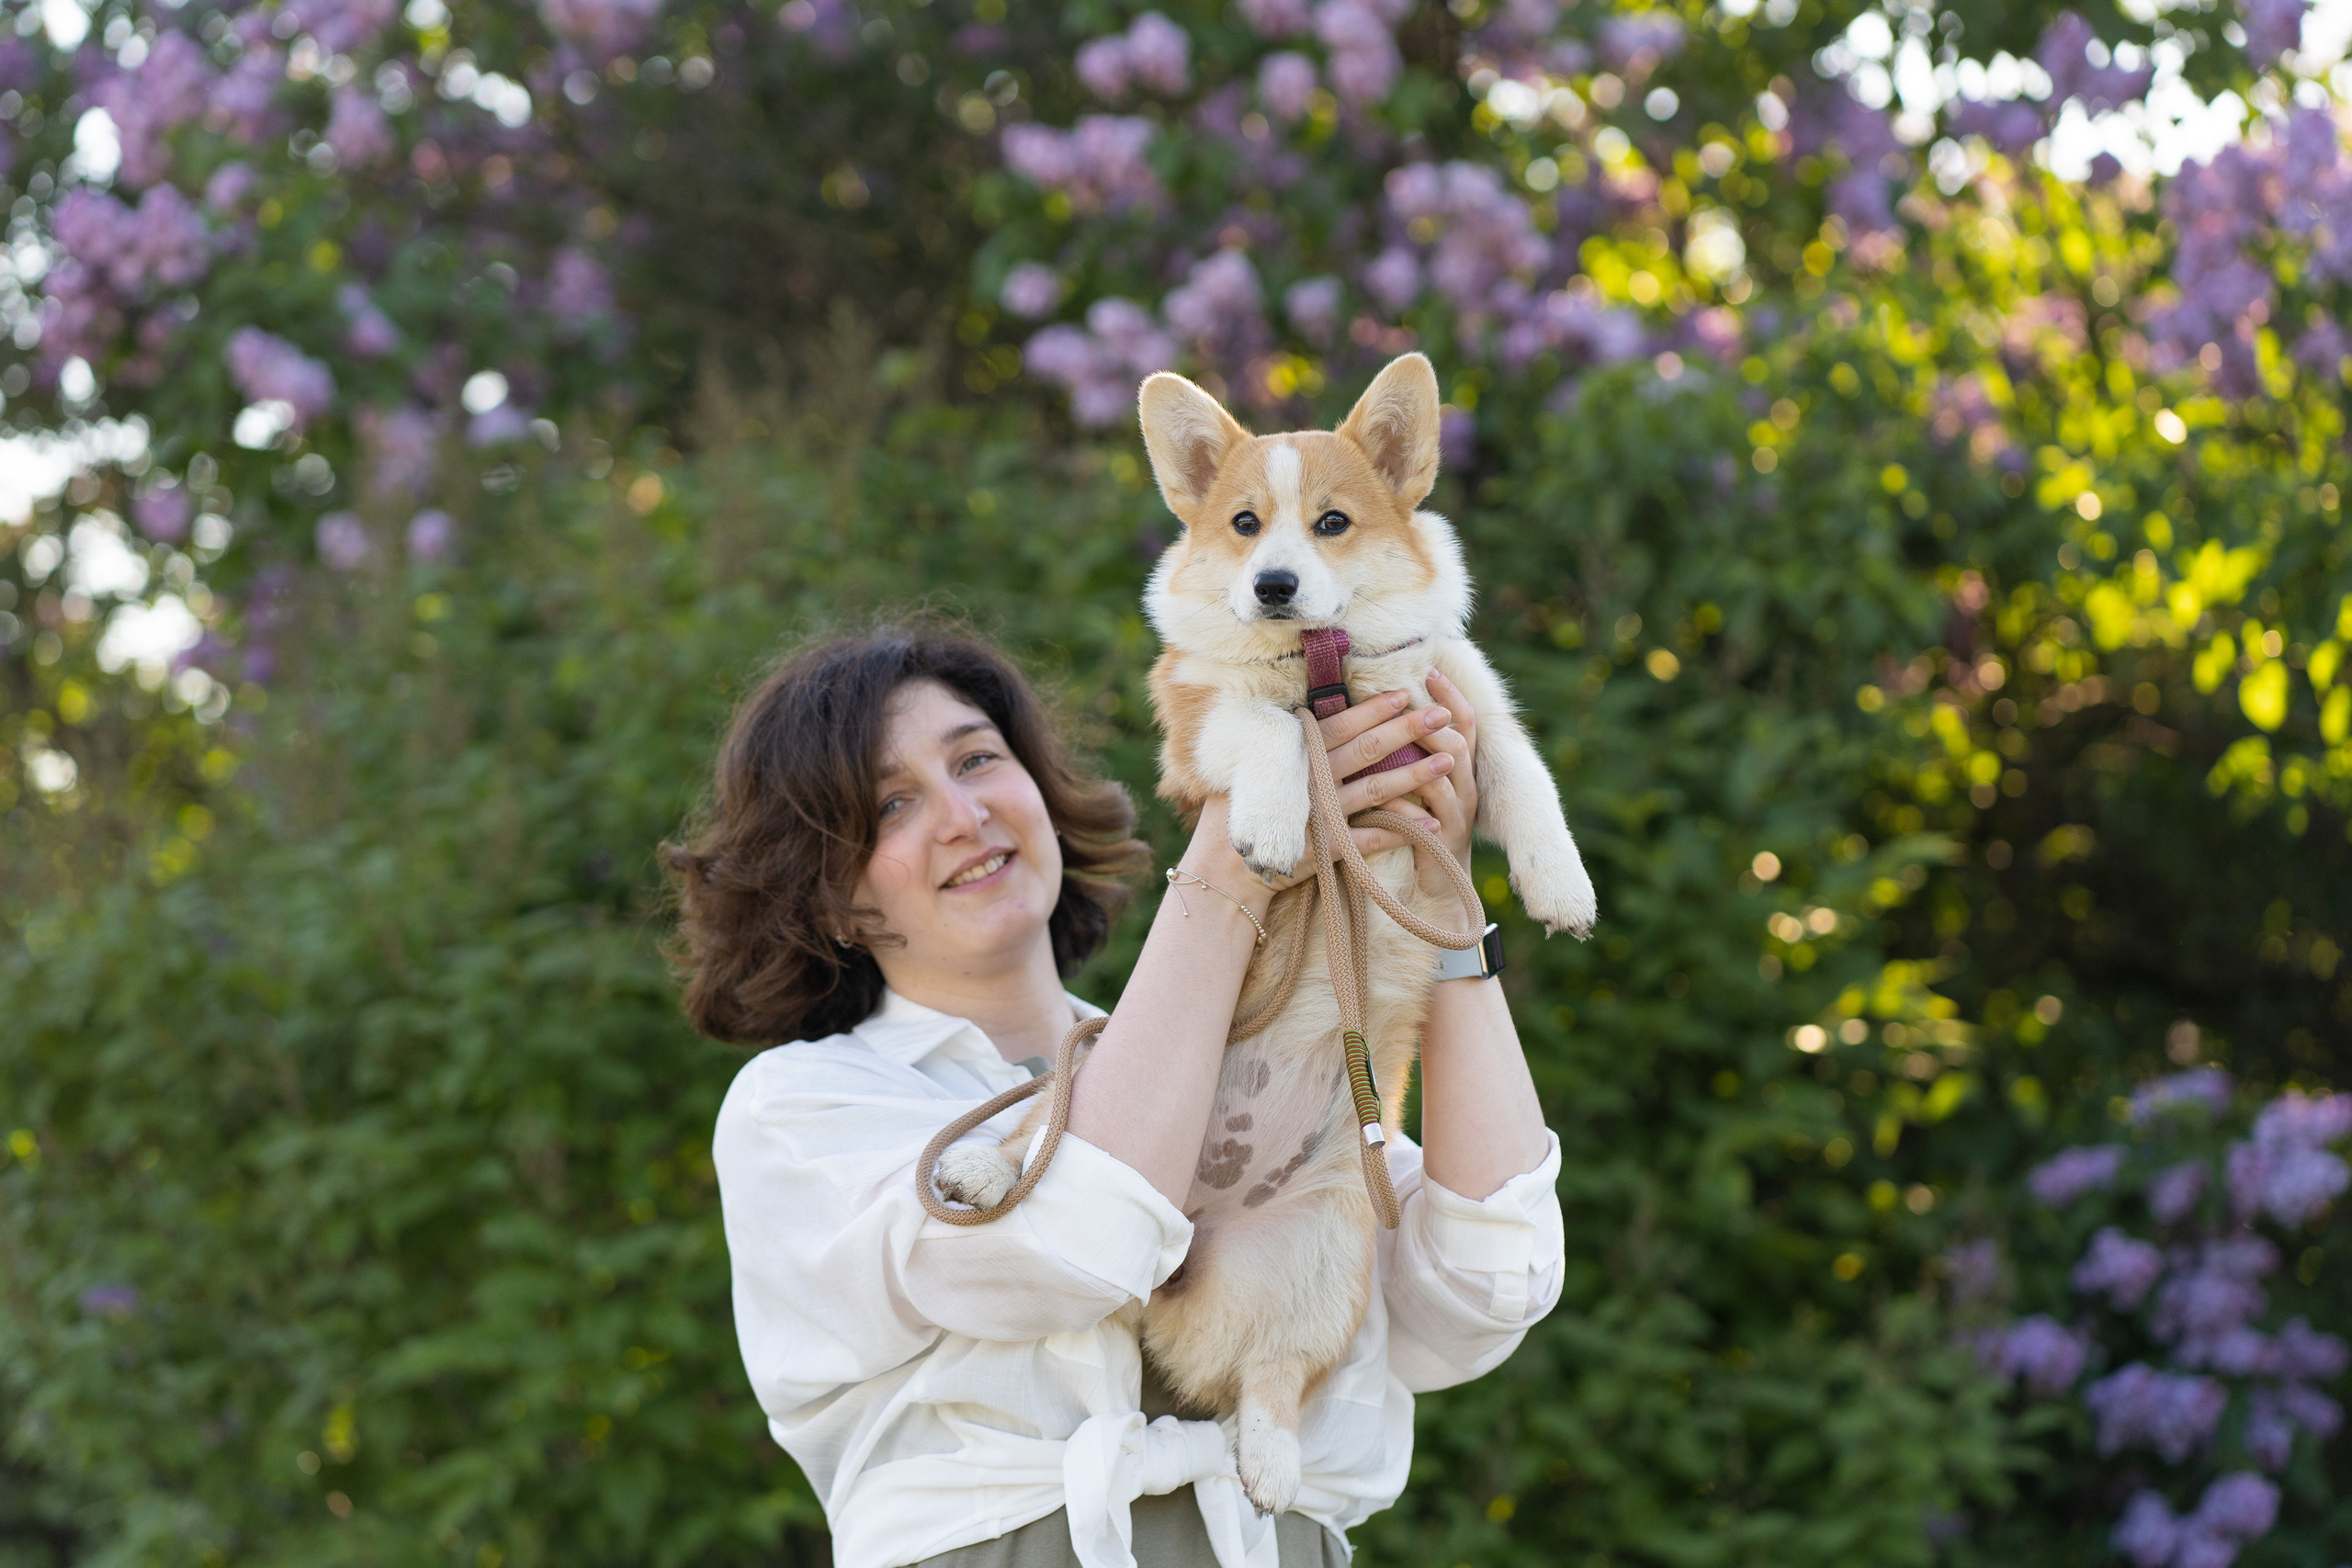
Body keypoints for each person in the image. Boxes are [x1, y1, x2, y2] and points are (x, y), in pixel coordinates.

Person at [666, 622, 1564, 1568]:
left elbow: (1484, 1288)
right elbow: (1081, 1240)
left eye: (977, 759)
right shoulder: (801, 1108)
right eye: (892, 804)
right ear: (834, 898)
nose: (963, 815)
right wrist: (1237, 849)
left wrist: (1435, 891)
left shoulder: (1229, 1045)